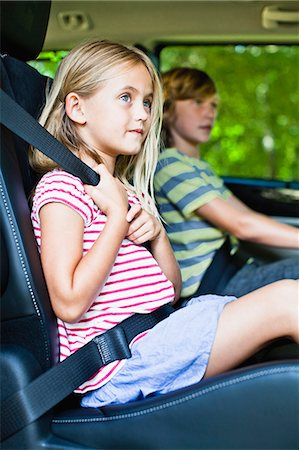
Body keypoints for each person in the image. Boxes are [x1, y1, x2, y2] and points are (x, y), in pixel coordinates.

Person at [30, 41, 298, 408]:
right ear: (77, 108)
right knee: (286, 299)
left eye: (146, 101)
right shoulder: (63, 188)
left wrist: (156, 235)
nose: (141, 113)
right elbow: (71, 304)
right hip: (119, 365)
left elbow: (170, 292)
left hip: (158, 336)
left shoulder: (121, 191)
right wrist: (116, 219)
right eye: (125, 97)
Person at [154, 67, 299, 301]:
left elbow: (246, 215)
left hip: (233, 271)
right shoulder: (169, 164)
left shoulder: (199, 168)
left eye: (213, 105)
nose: (209, 113)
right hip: (211, 287)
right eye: (198, 102)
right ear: (168, 107)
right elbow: (242, 226)